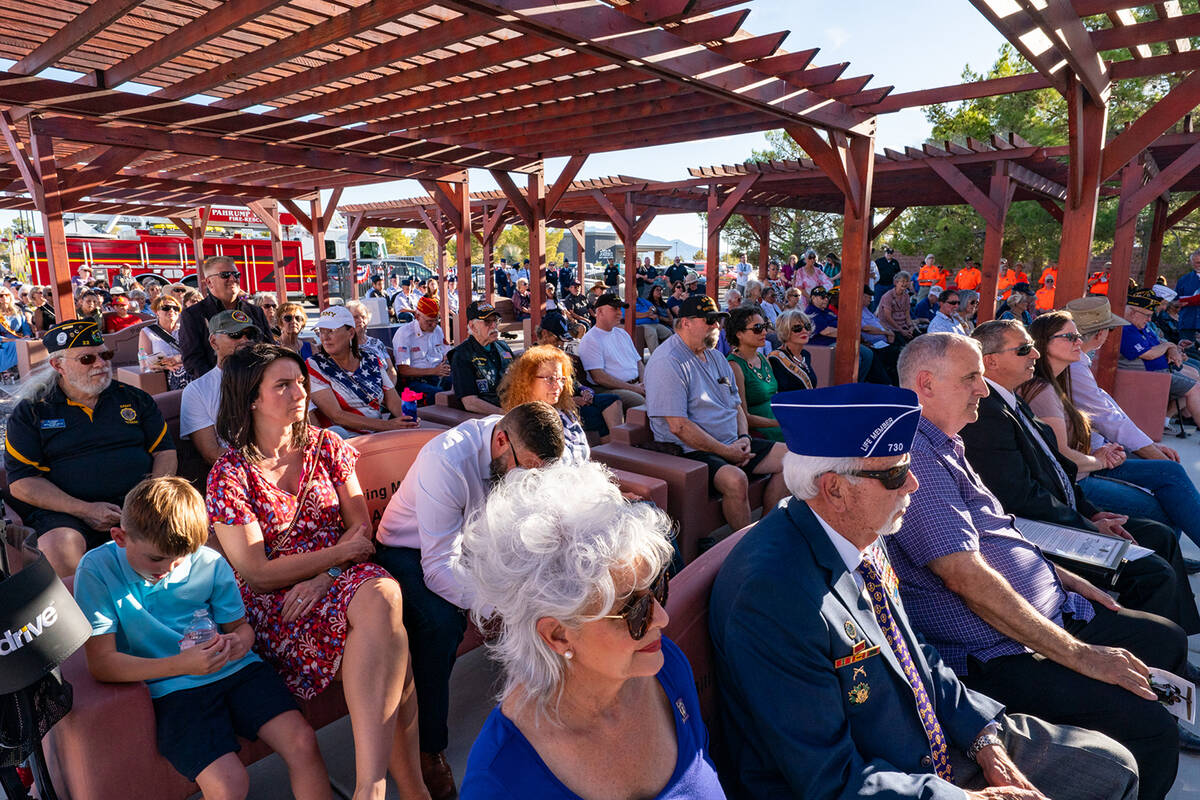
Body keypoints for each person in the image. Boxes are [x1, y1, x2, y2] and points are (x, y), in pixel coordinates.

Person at [711, 382, 1139, 800]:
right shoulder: (775, 596)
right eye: (896, 473)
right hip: (887, 772)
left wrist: (982, 737)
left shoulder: (858, 534)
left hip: (926, 735)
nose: (913, 484)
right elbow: (828, 777)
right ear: (835, 489)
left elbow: (914, 651)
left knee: (1112, 764)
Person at [892, 332, 1191, 798]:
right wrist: (1081, 656)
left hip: (1040, 612)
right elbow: (963, 576)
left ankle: (1154, 716)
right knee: (1149, 728)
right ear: (926, 384)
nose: (984, 389)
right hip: (994, 651)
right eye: (972, 377)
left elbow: (1000, 530)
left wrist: (1063, 576)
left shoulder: (946, 440)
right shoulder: (918, 455)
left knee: (1163, 637)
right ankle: (1126, 749)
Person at [205, 344, 429, 800]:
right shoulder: (229, 474)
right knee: (393, 653)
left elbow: (361, 527)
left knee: (381, 595)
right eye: (283, 385)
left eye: (300, 382)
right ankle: (410, 789)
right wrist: (335, 561)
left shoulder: (327, 445)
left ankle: (373, 788)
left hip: (339, 580)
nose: (300, 392)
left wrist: (325, 575)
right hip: (279, 606)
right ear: (251, 398)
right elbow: (257, 573)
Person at [458, 461, 724, 799]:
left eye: (657, 588)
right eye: (634, 610)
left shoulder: (665, 666)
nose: (661, 619)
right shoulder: (500, 782)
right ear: (557, 635)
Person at [74, 476, 330, 800]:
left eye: (180, 558)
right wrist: (182, 664)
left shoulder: (208, 561)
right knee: (229, 786)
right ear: (120, 537)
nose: (167, 568)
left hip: (234, 669)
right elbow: (101, 663)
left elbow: (240, 628)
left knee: (303, 742)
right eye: (156, 559)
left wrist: (242, 642)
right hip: (171, 688)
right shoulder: (96, 569)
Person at [374, 402, 565, 799]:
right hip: (409, 550)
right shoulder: (446, 460)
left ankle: (545, 719)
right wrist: (506, 604)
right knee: (440, 624)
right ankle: (430, 749)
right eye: (525, 469)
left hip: (475, 544)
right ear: (500, 441)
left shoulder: (517, 455)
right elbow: (439, 565)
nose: (530, 481)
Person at [961, 321, 1200, 634]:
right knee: (1152, 572)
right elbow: (1021, 497)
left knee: (1161, 536)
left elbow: (1057, 469)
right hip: (1039, 533)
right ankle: (1151, 656)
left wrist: (1093, 513)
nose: (1033, 353)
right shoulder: (988, 414)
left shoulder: (1012, 399)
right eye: (1023, 349)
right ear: (990, 361)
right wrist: (1088, 526)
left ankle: (1175, 644)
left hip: (1065, 515)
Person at [4, 320, 177, 576]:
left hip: (141, 504)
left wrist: (152, 498)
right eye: (87, 358)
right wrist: (84, 509)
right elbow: (22, 482)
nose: (100, 363)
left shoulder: (133, 398)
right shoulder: (33, 411)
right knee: (60, 546)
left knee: (191, 527)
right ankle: (88, 615)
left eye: (105, 354)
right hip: (67, 512)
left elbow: (164, 451)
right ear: (57, 365)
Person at [1022, 309, 1200, 553]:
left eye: (1078, 336)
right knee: (1168, 498)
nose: (1079, 342)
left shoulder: (1062, 375)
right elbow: (1065, 453)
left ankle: (1170, 560)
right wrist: (1101, 459)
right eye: (1070, 337)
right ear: (1044, 342)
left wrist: (1108, 452)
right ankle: (1166, 561)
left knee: (1170, 473)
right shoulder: (1048, 387)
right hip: (1078, 480)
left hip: (1087, 466)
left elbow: (1106, 414)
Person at [644, 295, 788, 533]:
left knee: (794, 458)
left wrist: (744, 438)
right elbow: (678, 426)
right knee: (735, 479)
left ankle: (764, 530)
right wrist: (727, 452)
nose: (717, 327)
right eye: (709, 320)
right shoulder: (667, 361)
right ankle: (744, 546)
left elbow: (737, 406)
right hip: (691, 450)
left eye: (719, 320)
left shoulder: (716, 357)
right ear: (685, 323)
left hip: (732, 443)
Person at [1066, 297, 1180, 463]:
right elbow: (1109, 420)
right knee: (1171, 473)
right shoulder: (1074, 368)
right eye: (1110, 329)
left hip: (1095, 449)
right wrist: (1160, 459)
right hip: (1088, 458)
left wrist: (1151, 446)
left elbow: (1108, 408)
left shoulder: (1077, 364)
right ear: (1100, 333)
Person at [306, 306, 416, 437]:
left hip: (377, 434)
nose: (325, 337)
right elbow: (336, 415)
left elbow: (393, 401)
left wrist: (408, 421)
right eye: (321, 331)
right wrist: (388, 425)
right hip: (342, 442)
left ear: (351, 333)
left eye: (331, 331)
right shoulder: (315, 365)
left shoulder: (371, 359)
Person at [181, 310, 261, 465]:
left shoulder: (269, 377)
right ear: (213, 342)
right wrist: (265, 464)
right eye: (236, 334)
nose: (245, 340)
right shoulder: (197, 391)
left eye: (250, 335)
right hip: (239, 474)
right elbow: (212, 454)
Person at [179, 256, 273, 378]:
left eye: (236, 274)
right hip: (219, 387)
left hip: (256, 382)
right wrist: (222, 384)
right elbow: (193, 360)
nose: (233, 278)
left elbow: (269, 348)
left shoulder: (255, 311)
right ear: (209, 282)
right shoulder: (193, 314)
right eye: (225, 275)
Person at [498, 345, 593, 463]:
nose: (558, 386)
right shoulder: (520, 424)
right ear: (528, 381)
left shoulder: (565, 414)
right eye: (550, 379)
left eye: (561, 379)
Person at [1121, 289, 1200, 424]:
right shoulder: (1127, 329)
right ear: (1133, 313)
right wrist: (1168, 346)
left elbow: (1160, 343)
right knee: (1195, 386)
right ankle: (1173, 418)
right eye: (1147, 315)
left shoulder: (1140, 326)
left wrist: (1172, 349)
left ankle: (1178, 417)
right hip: (1148, 375)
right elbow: (1149, 354)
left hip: (1159, 371)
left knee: (1195, 381)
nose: (1150, 319)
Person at [725, 306, 782, 442]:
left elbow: (776, 398)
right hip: (760, 433)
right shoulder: (734, 366)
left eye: (765, 326)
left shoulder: (763, 359)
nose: (764, 332)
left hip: (778, 424)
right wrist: (779, 423)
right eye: (757, 328)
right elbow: (743, 416)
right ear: (739, 333)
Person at [578, 295, 645, 410]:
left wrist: (644, 384)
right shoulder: (591, 339)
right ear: (599, 312)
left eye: (620, 308)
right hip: (608, 390)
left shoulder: (622, 333)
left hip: (635, 385)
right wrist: (635, 389)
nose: (620, 313)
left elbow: (639, 362)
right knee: (642, 403)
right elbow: (599, 377)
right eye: (615, 309)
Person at [450, 300, 515, 415]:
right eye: (487, 322)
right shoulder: (462, 355)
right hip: (489, 416)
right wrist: (505, 414)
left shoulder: (503, 347)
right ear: (472, 326)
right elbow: (470, 402)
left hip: (513, 405)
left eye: (495, 320)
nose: (494, 326)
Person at [392, 295, 451, 398]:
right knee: (441, 396)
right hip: (414, 381)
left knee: (463, 387)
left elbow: (447, 353)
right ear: (417, 317)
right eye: (429, 321)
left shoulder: (437, 330)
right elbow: (403, 370)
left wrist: (445, 363)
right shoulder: (404, 333)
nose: (433, 325)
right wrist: (434, 371)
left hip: (438, 375)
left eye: (436, 320)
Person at [138, 295, 191, 391]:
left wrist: (179, 359)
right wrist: (166, 366)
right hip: (167, 373)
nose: (171, 310)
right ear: (156, 312)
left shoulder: (186, 328)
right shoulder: (147, 332)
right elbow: (144, 360)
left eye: (175, 308)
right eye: (166, 308)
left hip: (188, 365)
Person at [768, 309, 817, 391]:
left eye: (807, 327)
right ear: (785, 331)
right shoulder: (775, 359)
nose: (804, 331)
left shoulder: (805, 355)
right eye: (797, 328)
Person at [345, 299, 395, 375]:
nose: (361, 320)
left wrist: (390, 386)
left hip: (386, 385)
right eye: (355, 317)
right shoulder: (343, 346)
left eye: (363, 317)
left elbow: (391, 370)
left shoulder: (377, 343)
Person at [877, 271, 918, 342]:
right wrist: (901, 330)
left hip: (903, 325)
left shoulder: (907, 296)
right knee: (903, 343)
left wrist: (911, 327)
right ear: (896, 282)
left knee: (918, 338)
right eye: (902, 281)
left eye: (907, 281)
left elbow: (907, 315)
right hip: (891, 327)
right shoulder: (888, 296)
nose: (905, 284)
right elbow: (888, 317)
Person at [634, 284, 674, 354]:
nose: (635, 292)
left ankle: (667, 354)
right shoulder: (628, 303)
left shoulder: (642, 300)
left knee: (668, 333)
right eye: (633, 291)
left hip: (654, 323)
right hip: (642, 324)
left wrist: (651, 311)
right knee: (652, 334)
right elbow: (633, 314)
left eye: (636, 290)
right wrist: (647, 314)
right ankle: (656, 357)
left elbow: (653, 307)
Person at [1173, 249, 1200, 344]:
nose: (1199, 265)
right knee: (1188, 354)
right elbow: (1174, 301)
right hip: (1188, 324)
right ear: (1192, 263)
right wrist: (1179, 303)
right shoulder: (1184, 280)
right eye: (1196, 263)